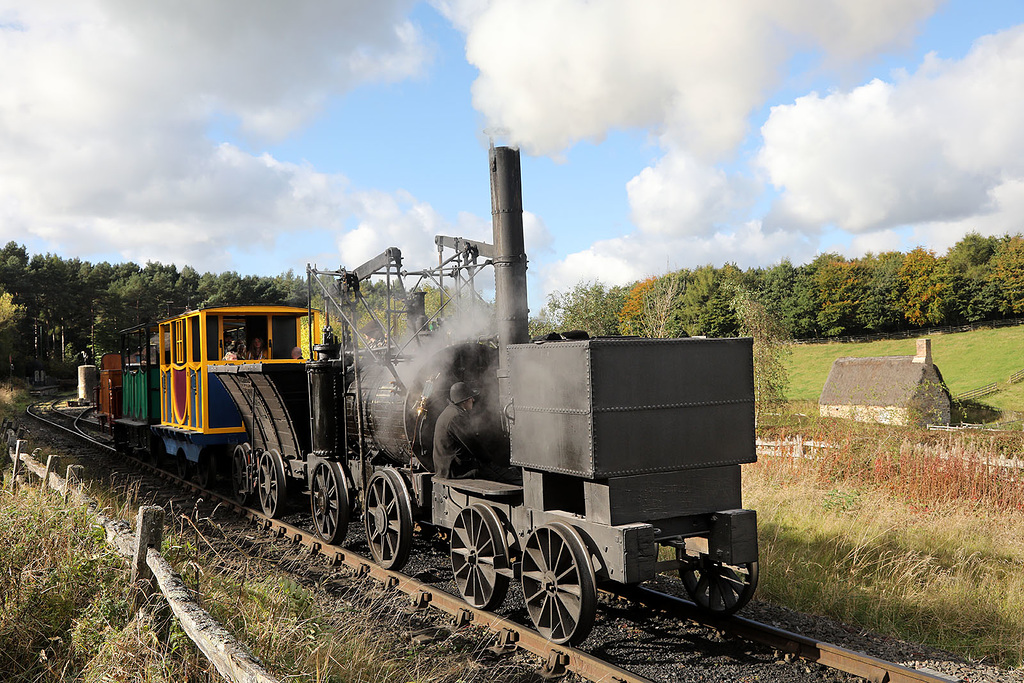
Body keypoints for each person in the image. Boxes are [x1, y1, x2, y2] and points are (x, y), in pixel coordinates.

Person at [432, 382, 521, 484]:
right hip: (456, 471)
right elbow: (472, 445)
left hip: (449, 468)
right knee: (509, 478)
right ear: (464, 401)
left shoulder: (450, 412)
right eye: (471, 398)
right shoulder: (456, 417)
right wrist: (490, 460)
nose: (473, 400)